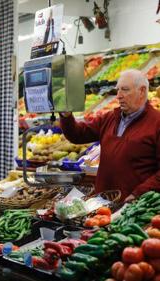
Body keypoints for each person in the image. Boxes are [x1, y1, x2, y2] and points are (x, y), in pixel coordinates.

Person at [60, 69, 160, 201]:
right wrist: (66, 115)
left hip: (133, 207)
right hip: (103, 202)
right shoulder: (110, 118)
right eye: (117, 90)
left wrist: (138, 194)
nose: (118, 95)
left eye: (125, 90)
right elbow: (78, 135)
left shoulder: (156, 123)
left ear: (141, 91)